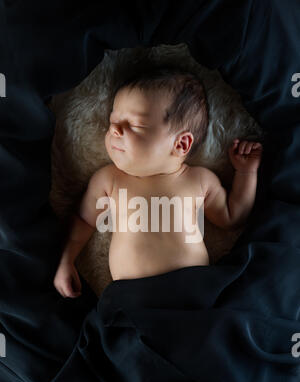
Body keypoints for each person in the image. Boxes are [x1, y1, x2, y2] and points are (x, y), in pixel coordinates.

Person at [53, 66, 262, 298]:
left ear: (181, 144)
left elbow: (233, 217)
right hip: (130, 299)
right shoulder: (109, 179)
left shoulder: (199, 180)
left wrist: (246, 173)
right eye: (113, 120)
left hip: (193, 294)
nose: (114, 129)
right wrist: (67, 260)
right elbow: (83, 220)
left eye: (135, 125)